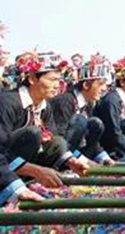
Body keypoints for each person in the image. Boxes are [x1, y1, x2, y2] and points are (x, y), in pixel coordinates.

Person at [0, 52, 89, 206]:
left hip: (16, 162)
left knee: (58, 142)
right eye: (53, 80)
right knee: (33, 133)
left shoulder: (44, 105)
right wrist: (35, 171)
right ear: (32, 78)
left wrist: (71, 161)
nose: (58, 85)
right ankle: (12, 188)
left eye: (59, 80)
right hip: (4, 166)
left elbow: (53, 139)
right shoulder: (7, 103)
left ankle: (30, 183)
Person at [50, 54, 114, 165]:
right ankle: (66, 167)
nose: (104, 88)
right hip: (59, 155)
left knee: (96, 124)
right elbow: (59, 140)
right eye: (100, 84)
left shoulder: (88, 103)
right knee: (80, 120)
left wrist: (104, 158)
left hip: (75, 152)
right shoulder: (65, 101)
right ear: (85, 85)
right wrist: (86, 162)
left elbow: (91, 142)